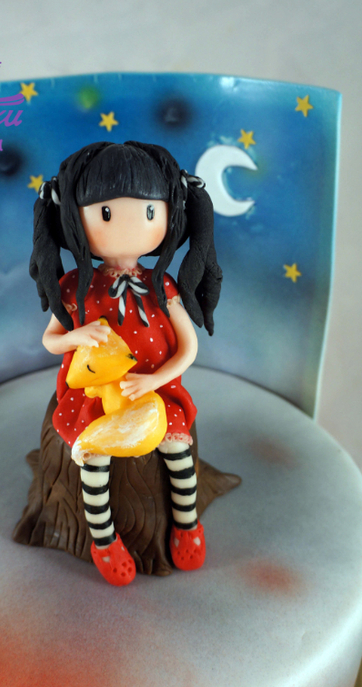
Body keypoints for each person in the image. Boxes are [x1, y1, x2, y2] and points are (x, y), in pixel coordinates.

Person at [30, 141, 222, 586]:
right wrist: (76, 336)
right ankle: (104, 539)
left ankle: (187, 523)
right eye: (106, 213)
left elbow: (188, 348)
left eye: (149, 212)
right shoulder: (75, 287)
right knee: (94, 460)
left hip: (155, 390)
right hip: (96, 396)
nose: (130, 226)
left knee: (176, 449)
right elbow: (50, 341)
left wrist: (155, 380)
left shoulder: (162, 286)